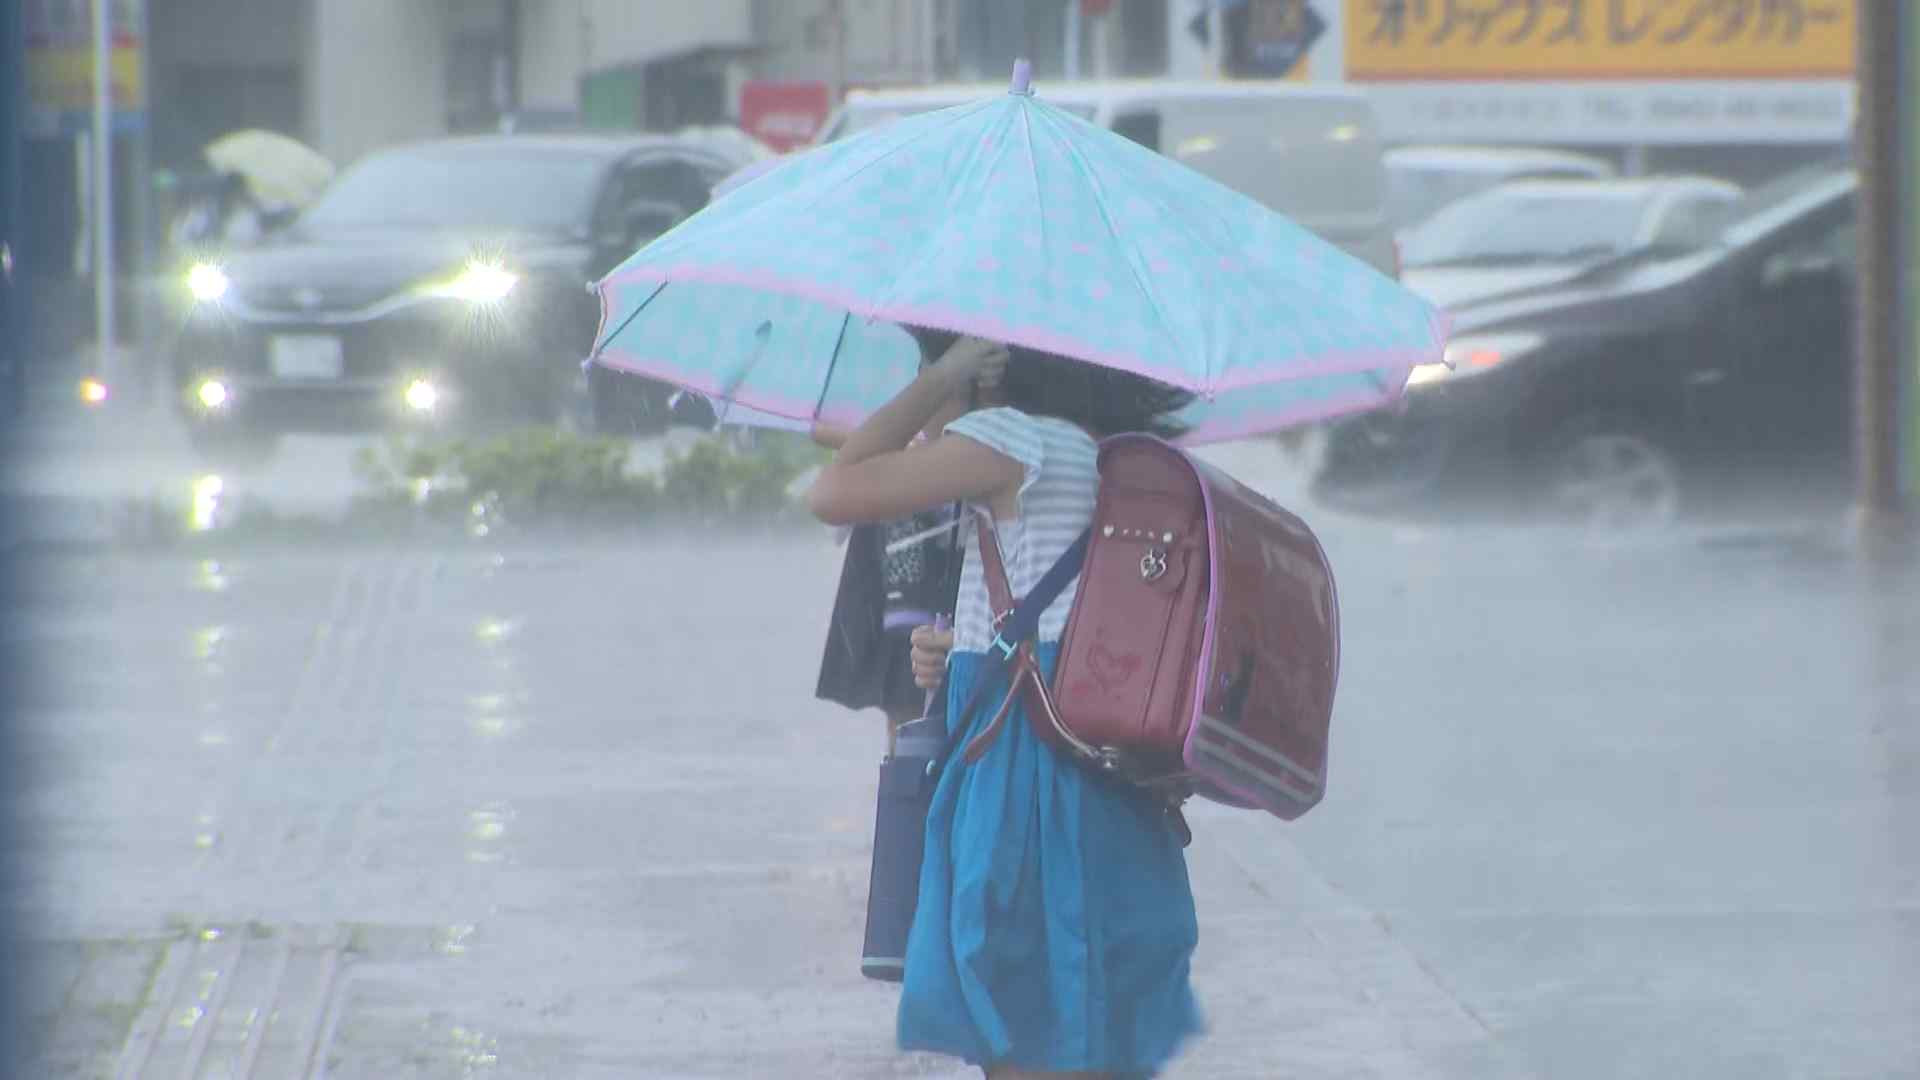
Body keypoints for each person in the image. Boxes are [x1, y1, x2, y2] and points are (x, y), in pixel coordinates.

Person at [808, 329, 1202, 1080]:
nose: (928, 383)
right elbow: (1056, 603)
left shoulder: (1008, 438)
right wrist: (960, 643)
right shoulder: (1097, 447)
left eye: (934, 361)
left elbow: (835, 491)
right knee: (1084, 1017)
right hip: (1100, 765)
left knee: (1016, 1011)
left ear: (994, 364)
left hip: (1023, 762)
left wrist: (941, 378)